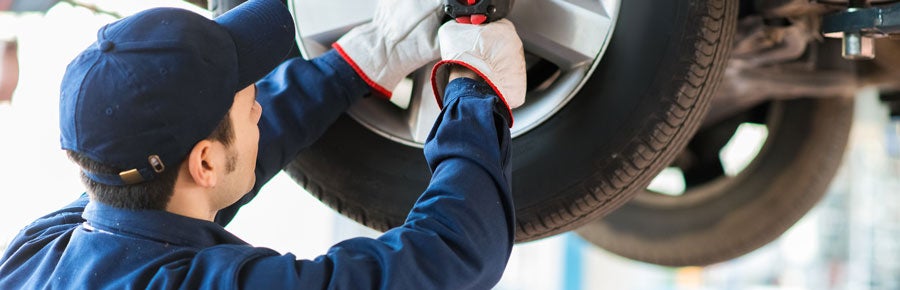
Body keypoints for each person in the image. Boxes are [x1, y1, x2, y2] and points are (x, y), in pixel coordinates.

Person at [0, 0, 525, 288]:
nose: (259, 104)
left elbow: (236, 147)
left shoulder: (41, 251)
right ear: (203, 161)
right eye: (245, 97)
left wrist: (355, 64)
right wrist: (474, 92)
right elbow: (452, 257)